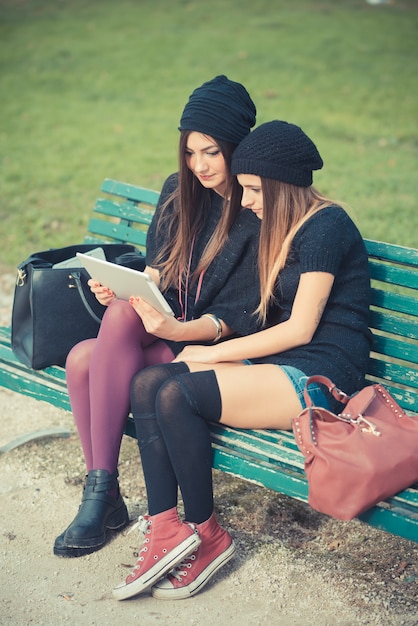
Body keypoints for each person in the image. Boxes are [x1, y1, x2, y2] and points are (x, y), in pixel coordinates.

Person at [112, 120, 373, 601]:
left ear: (279, 186)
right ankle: (167, 527)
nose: (246, 199)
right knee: (149, 382)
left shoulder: (326, 227)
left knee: (177, 394)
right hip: (279, 363)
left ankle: (208, 534)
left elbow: (301, 329)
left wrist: (210, 352)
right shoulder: (284, 226)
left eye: (253, 189)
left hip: (320, 376)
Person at [54, 75, 261, 558]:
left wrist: (171, 328)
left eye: (211, 151)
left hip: (207, 345)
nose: (199, 165)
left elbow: (238, 317)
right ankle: (102, 489)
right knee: (86, 353)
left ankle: (102, 497)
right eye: (190, 152)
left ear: (236, 146)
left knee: (91, 356)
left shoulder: (255, 205)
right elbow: (155, 274)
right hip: (162, 327)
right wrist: (119, 292)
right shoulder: (179, 190)